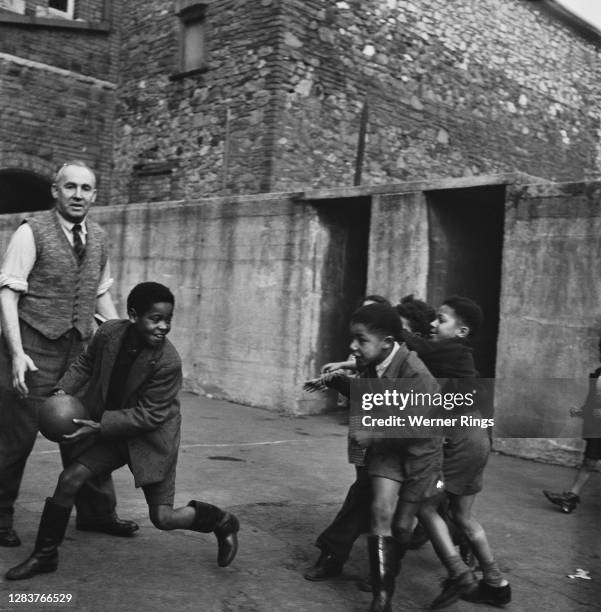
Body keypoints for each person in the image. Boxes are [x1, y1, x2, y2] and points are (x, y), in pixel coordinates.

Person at [5, 282, 240, 580]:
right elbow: (85, 363)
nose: (164, 326)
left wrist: (99, 426)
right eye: (155, 319)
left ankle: (222, 521)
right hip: (113, 431)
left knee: (163, 518)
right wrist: (61, 392)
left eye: (168, 319)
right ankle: (45, 555)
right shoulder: (109, 333)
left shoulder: (168, 362)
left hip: (150, 438)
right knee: (69, 479)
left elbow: (150, 415)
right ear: (132, 315)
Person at [0, 160, 137, 547]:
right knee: (14, 441)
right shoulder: (31, 232)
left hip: (79, 353)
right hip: (33, 349)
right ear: (55, 191)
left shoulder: (98, 237)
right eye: (70, 187)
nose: (78, 195)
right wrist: (15, 353)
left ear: (94, 195)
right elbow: (8, 294)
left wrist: (121, 340)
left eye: (86, 189)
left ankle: (96, 515)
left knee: (85, 435)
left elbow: (99, 293)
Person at [322, 303, 447, 612]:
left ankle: (460, 563)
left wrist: (374, 434)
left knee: (404, 527)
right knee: (380, 510)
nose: (353, 346)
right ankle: (382, 598)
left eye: (361, 340)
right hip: (390, 452)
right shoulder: (372, 362)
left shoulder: (416, 373)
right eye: (353, 339)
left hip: (420, 452)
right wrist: (340, 378)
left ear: (388, 343)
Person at [410, 297, 510, 608]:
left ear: (462, 330)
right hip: (477, 439)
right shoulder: (455, 357)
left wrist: (388, 327)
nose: (432, 324)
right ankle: (496, 584)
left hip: (463, 442)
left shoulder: (452, 350)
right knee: (462, 517)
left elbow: (418, 349)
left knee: (424, 506)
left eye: (441, 320)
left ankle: (459, 574)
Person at [303, 295, 391, 582]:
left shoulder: (399, 362)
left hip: (390, 439)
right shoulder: (364, 355)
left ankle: (334, 555)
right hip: (364, 433)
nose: (356, 342)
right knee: (370, 494)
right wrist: (339, 375)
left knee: (367, 495)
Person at [543, 335, 601, 513]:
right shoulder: (599, 373)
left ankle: (570, 498)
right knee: (588, 462)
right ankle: (570, 498)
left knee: (589, 462)